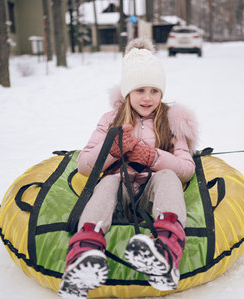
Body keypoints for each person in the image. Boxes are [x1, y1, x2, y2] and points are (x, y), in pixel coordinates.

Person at [58, 38, 198, 299]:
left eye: (155, 91)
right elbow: (84, 165)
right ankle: (86, 252)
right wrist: (112, 152)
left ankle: (166, 252)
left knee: (168, 175)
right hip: (119, 190)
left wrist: (152, 156)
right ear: (127, 92)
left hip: (152, 194)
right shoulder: (111, 119)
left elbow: (186, 169)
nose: (147, 98)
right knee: (107, 182)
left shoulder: (172, 120)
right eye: (140, 90)